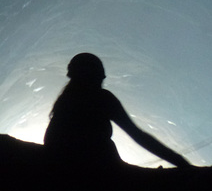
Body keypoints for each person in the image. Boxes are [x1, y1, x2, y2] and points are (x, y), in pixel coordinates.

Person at [43, 52, 191, 168]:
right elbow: (138, 135)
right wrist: (181, 162)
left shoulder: (63, 104)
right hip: (99, 169)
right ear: (98, 76)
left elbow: (50, 141)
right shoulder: (102, 98)